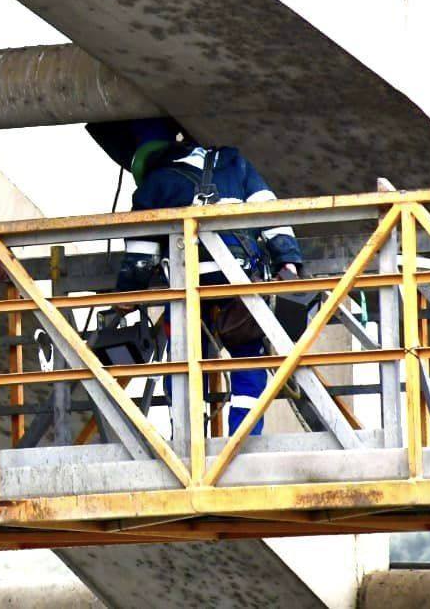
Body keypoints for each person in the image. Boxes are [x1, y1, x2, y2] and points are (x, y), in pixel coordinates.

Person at [86, 118, 303, 436]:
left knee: (182, 367)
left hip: (191, 293)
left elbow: (140, 258)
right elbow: (271, 215)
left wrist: (127, 299)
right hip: (241, 287)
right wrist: (289, 263)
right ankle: (243, 442)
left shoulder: (155, 184)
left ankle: (186, 445)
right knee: (248, 363)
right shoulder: (233, 162)